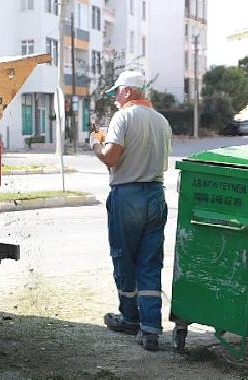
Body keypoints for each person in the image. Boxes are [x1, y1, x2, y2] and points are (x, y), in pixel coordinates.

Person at [89, 71, 172, 352]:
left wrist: (96, 144)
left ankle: (129, 318)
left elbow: (111, 157)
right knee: (150, 262)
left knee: (124, 258)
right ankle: (150, 329)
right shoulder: (161, 121)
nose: (114, 99)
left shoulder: (123, 117)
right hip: (155, 195)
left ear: (127, 91)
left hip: (128, 196)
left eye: (116, 93)